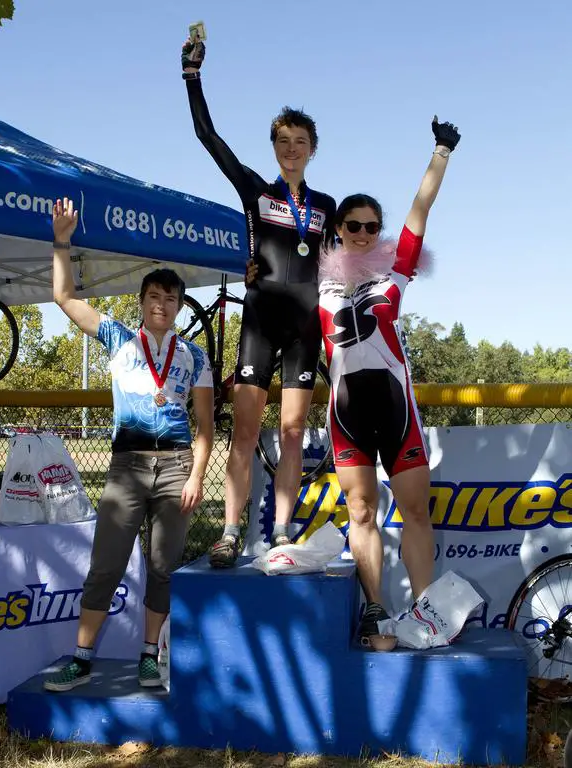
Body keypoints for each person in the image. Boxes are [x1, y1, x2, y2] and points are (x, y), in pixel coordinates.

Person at [44, 198, 214, 690]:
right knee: (107, 565)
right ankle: (81, 656)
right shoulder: (119, 338)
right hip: (127, 466)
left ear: (180, 306)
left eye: (171, 298)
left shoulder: (194, 356)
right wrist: (61, 241)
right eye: (153, 296)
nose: (161, 305)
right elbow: (64, 297)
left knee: (163, 567)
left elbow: (205, 426)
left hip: (178, 466)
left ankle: (147, 654)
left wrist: (198, 475)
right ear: (141, 301)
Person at [181, 37, 336, 567]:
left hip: (306, 330)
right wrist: (192, 74)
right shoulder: (256, 192)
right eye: (283, 141)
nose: (291, 149)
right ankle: (228, 533)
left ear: (313, 148)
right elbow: (208, 136)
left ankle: (281, 531)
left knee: (293, 433)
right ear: (274, 148)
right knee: (245, 433)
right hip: (261, 324)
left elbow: (346, 260)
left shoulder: (328, 207)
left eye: (300, 141)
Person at [318, 117, 461, 647]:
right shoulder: (319, 276)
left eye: (371, 226)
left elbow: (419, 211)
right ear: (338, 229)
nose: (361, 233)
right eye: (352, 225)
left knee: (416, 512)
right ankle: (376, 609)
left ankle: (427, 613)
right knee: (360, 511)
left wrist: (440, 153)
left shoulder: (394, 270)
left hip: (396, 407)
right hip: (346, 413)